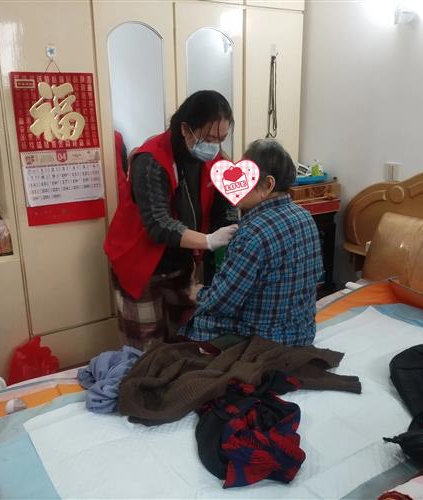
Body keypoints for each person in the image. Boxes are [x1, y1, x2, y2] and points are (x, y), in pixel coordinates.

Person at [104, 90, 238, 348]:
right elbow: (158, 224)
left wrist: (232, 225)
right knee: (146, 348)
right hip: (140, 262)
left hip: (183, 263)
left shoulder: (217, 161)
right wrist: (208, 241)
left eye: (221, 139)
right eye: (209, 138)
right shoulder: (150, 159)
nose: (215, 147)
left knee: (184, 339)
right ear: (186, 129)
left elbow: (224, 206)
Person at [181, 139, 323, 346]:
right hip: (302, 334)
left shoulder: (253, 232)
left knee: (193, 321)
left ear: (268, 185)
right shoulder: (305, 217)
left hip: (262, 340)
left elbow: (222, 303)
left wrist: (197, 292)